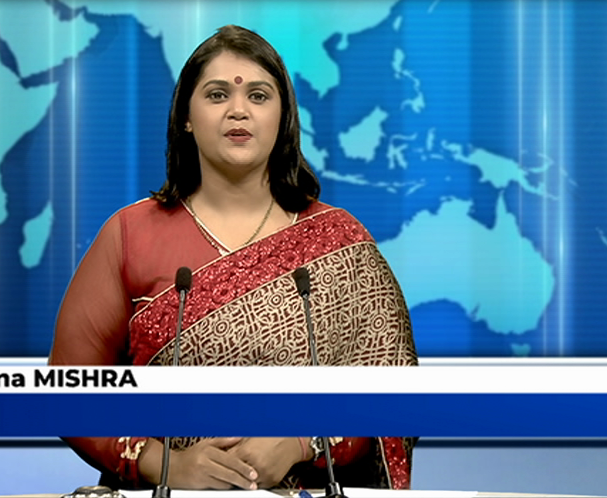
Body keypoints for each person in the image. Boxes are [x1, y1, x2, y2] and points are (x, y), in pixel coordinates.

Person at [48, 25, 417, 491]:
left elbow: (392, 394)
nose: (238, 110)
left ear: (283, 118)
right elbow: (69, 392)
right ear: (186, 117)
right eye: (217, 94)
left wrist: (303, 442)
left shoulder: (341, 241)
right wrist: (166, 465)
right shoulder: (129, 234)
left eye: (258, 96)